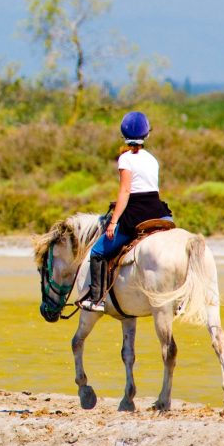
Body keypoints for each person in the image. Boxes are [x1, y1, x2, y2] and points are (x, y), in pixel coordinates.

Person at [80, 111, 173, 312]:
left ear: (124, 135)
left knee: (97, 252)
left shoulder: (125, 159)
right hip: (158, 209)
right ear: (147, 134)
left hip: (136, 212)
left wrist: (113, 222)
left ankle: (97, 300)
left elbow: (125, 191)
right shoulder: (152, 159)